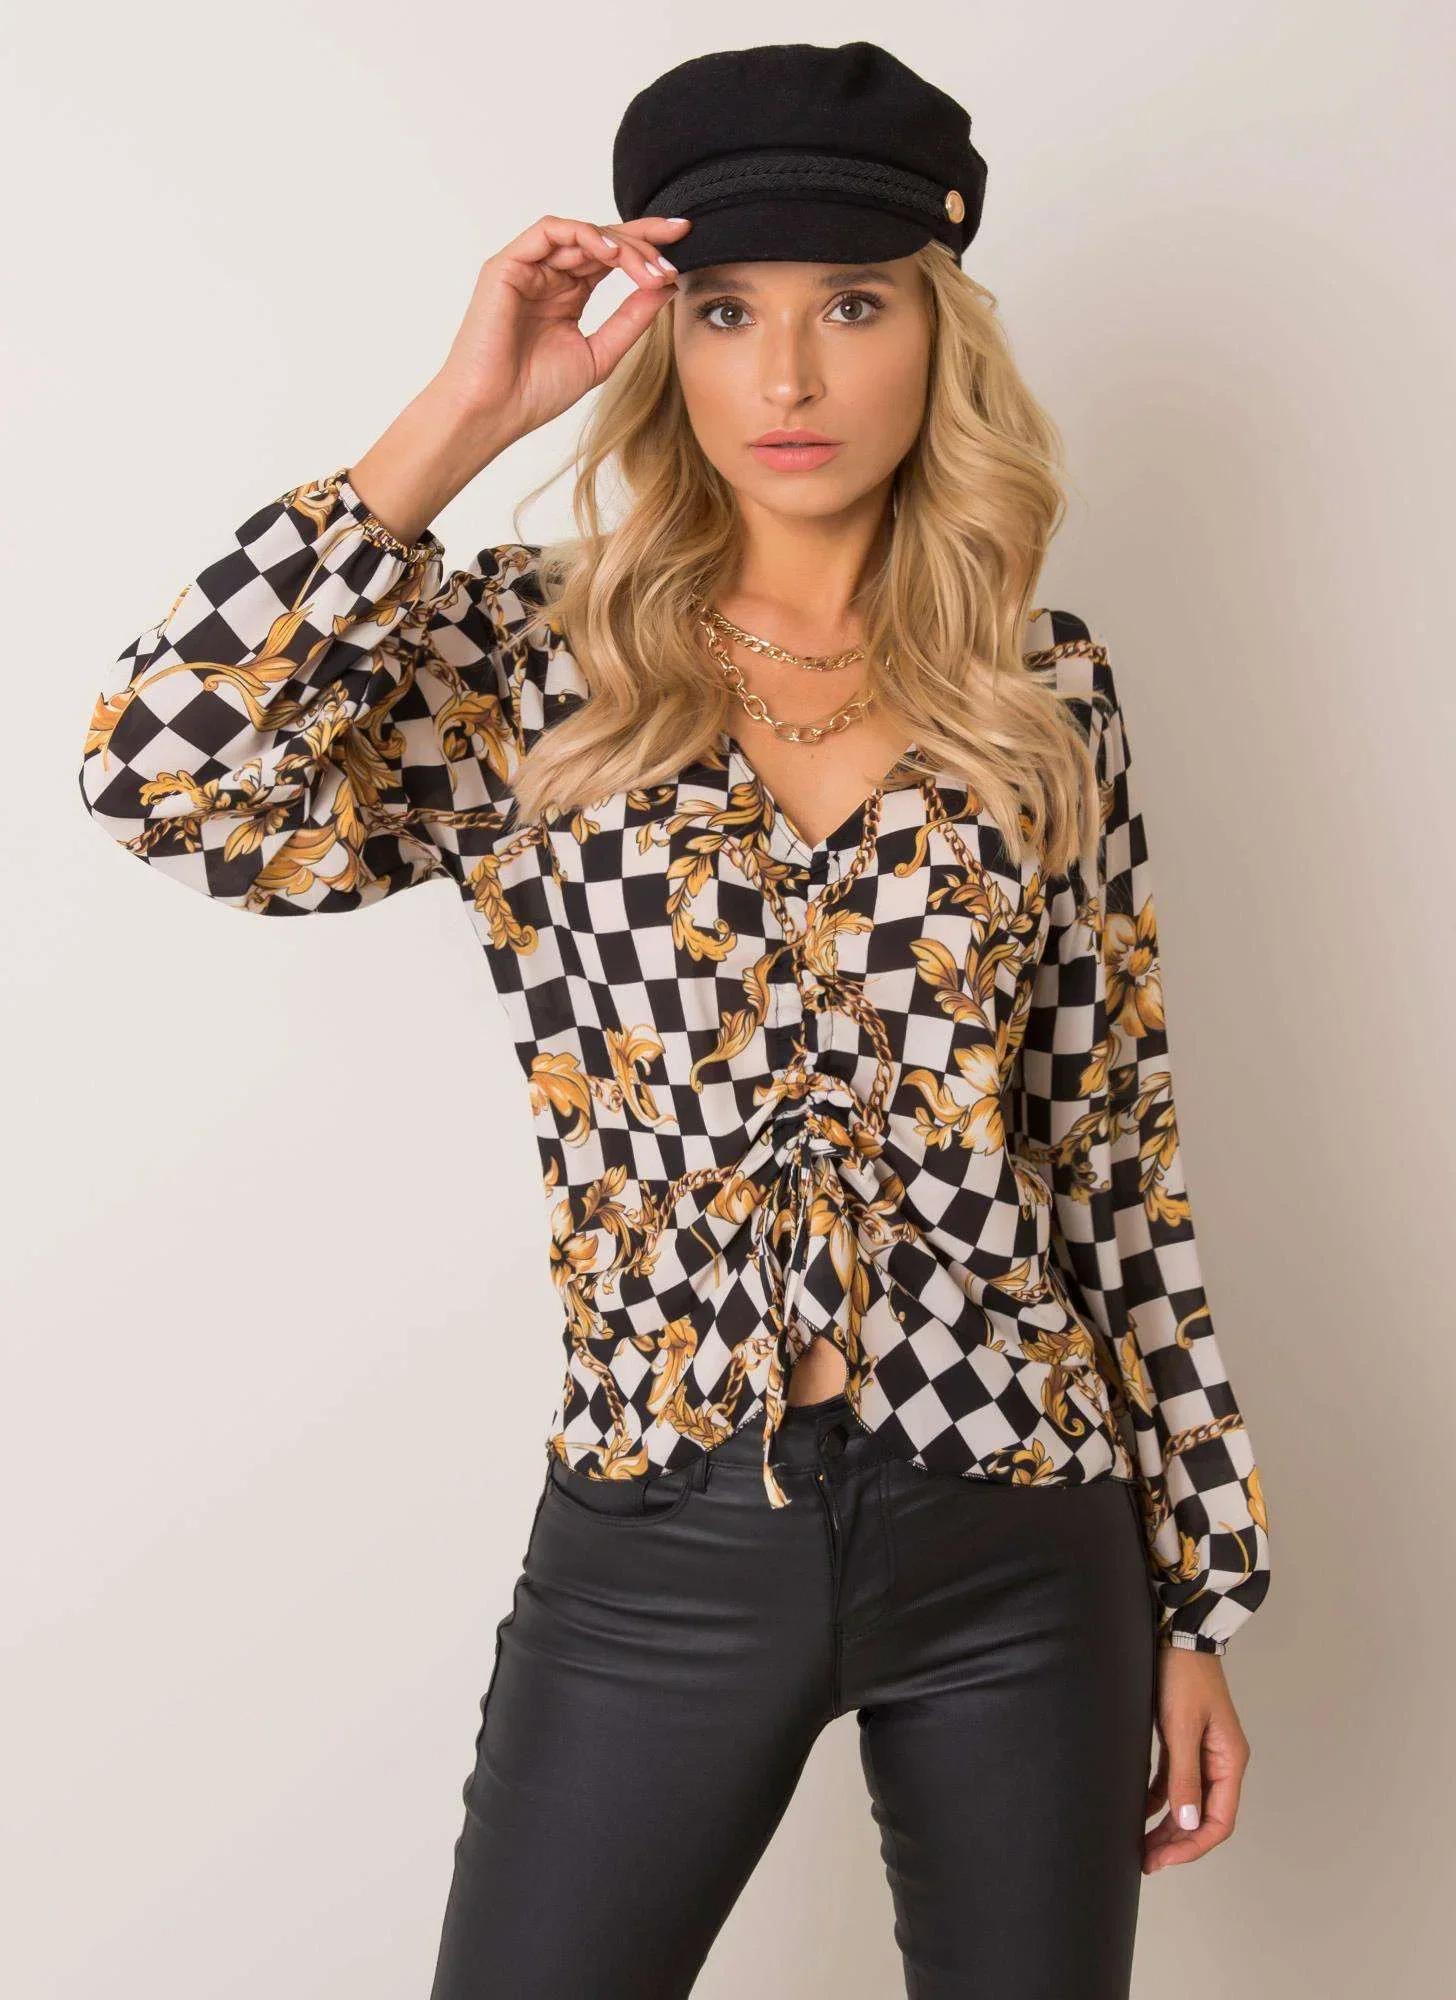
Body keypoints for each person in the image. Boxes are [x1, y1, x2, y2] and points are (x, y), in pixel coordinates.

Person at [77, 38, 1271, 2000]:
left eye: (852, 306)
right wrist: (458, 421)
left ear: (939, 334)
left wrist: (1195, 1595)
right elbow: (159, 780)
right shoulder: (523, 662)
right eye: (725, 311)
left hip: (1024, 1525)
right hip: (661, 1526)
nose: (787, 376)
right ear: (663, 339)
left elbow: (1109, 1143)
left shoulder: (1046, 686)